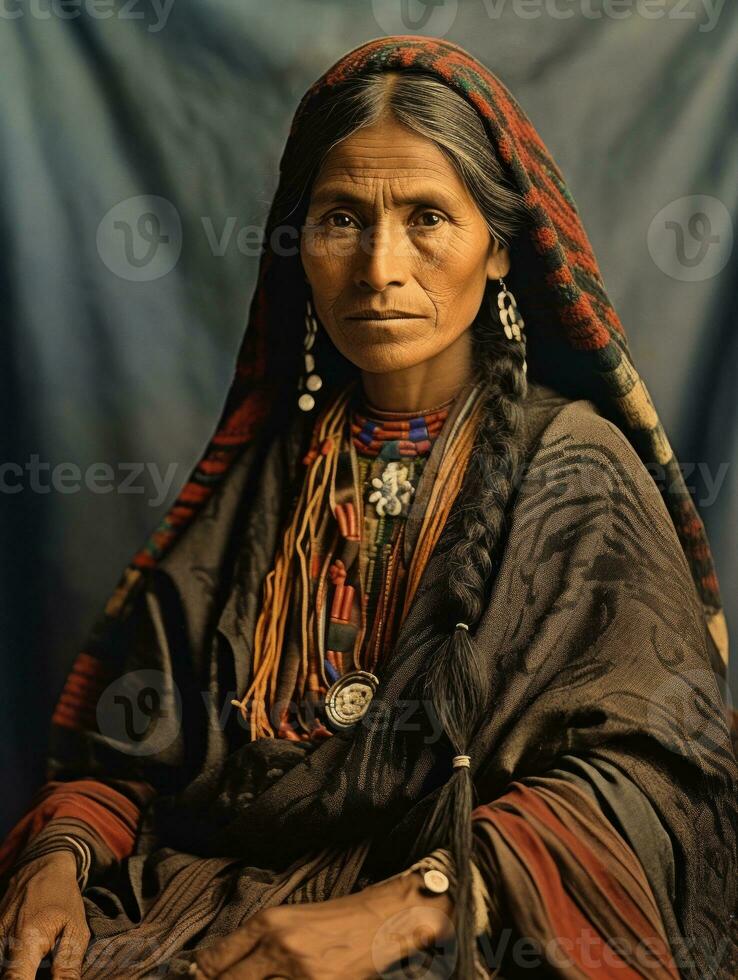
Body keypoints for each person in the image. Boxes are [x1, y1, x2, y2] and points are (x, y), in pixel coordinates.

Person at [0, 35, 735, 980]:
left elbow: (655, 777)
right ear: (299, 245)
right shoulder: (270, 481)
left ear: (500, 249)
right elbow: (129, 751)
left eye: (428, 216)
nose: (379, 265)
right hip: (214, 897)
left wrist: (400, 913)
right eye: (341, 219)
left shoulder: (575, 474)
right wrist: (57, 863)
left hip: (473, 924)